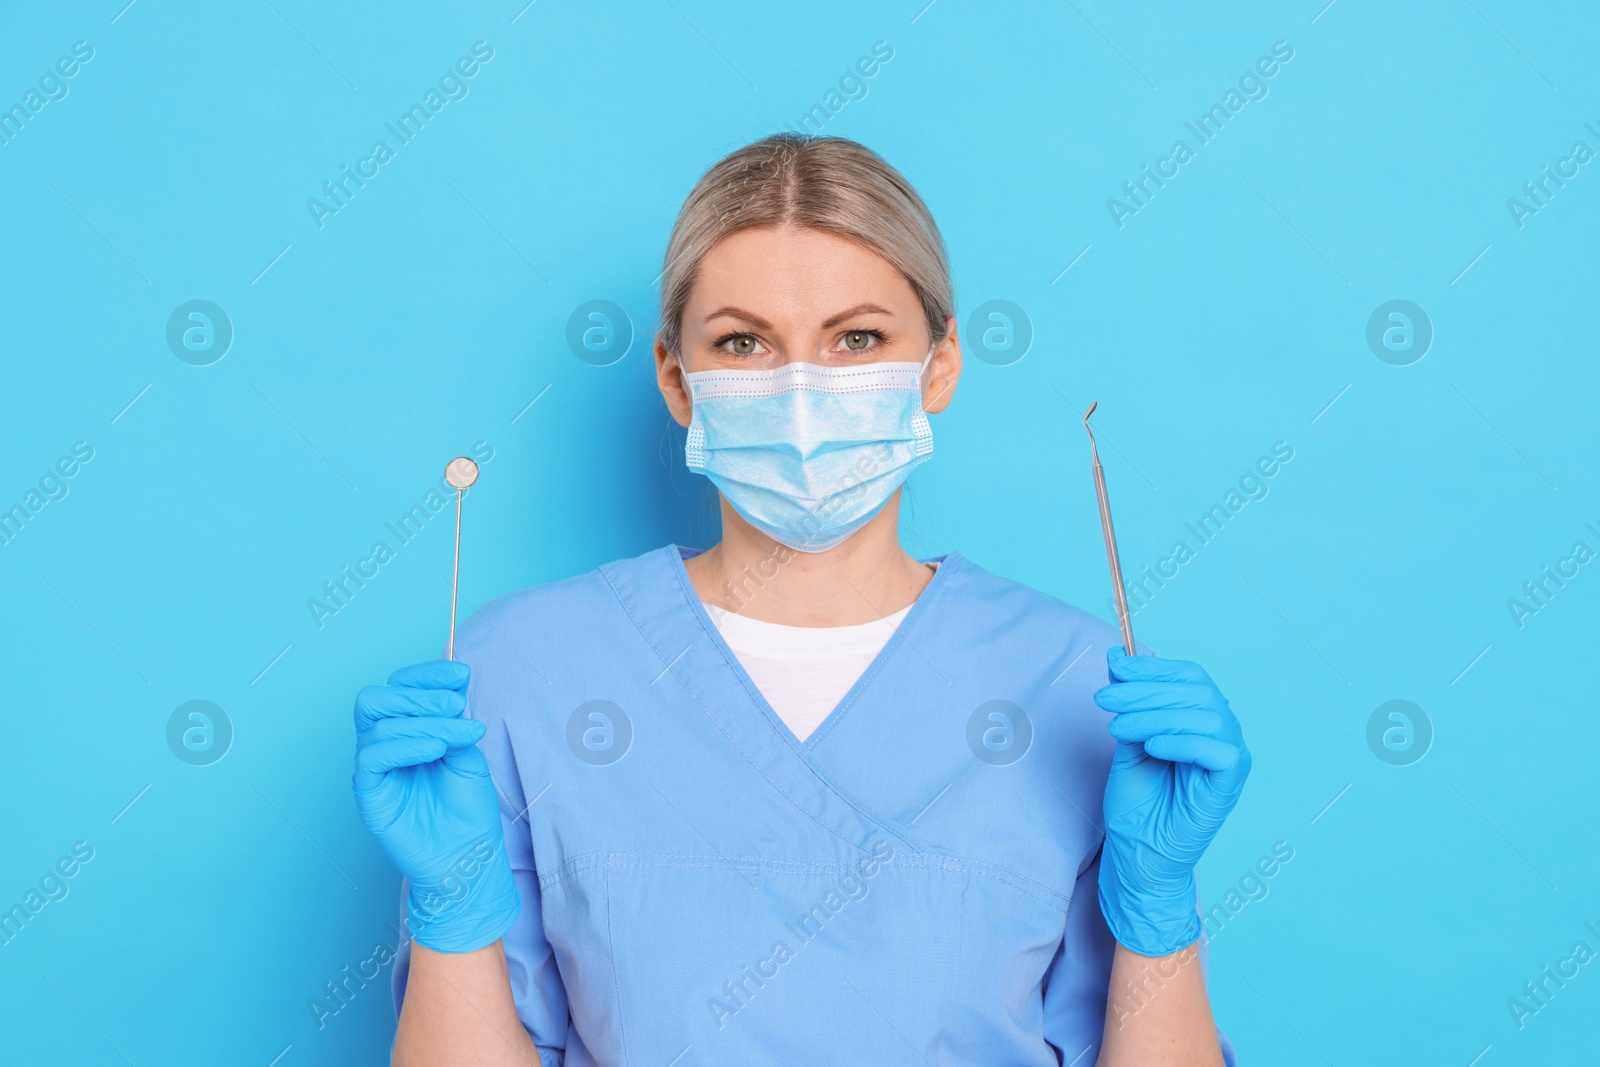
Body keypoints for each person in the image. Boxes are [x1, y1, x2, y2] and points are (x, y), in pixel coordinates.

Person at [353, 133, 1249, 1066]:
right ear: (676, 379)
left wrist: (1157, 913)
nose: (801, 389)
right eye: (743, 342)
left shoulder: (1073, 683)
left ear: (939, 366)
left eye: (857, 338)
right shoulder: (527, 670)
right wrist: (453, 913)